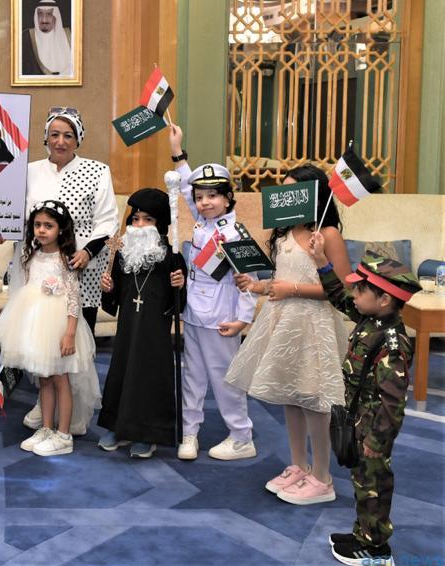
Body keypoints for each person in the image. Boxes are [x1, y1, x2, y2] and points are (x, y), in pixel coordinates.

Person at [225, 164, 350, 505]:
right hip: (283, 323)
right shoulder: (282, 234)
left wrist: (293, 288)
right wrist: (258, 285)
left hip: (312, 324)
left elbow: (340, 289)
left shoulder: (327, 234)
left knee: (314, 399)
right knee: (291, 397)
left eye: (293, 189)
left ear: (312, 195)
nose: (285, 196)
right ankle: (299, 465)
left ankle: (322, 477)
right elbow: (283, 279)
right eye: (282, 190)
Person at [306, 246, 420, 566]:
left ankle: (376, 549)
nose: (353, 295)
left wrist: (376, 440)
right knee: (362, 481)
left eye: (360, 290)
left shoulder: (391, 343)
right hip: (359, 418)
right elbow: (339, 296)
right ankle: (363, 534)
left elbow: (393, 401)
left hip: (373, 425)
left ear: (384, 299)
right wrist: (322, 263)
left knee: (374, 484)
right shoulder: (371, 318)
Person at [10, 107, 118, 435]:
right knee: (40, 340)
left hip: (80, 268)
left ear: (78, 139)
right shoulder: (29, 171)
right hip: (37, 268)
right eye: (54, 134)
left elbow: (108, 220)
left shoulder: (97, 171)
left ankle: (77, 410)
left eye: (68, 135)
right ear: (45, 137)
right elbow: (13, 215)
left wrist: (87, 252)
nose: (60, 141)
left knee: (75, 344)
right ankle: (45, 404)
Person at [168, 126, 257, 461]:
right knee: (192, 378)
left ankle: (241, 436)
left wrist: (242, 321)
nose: (204, 202)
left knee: (225, 379)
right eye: (200, 197)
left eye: (212, 196)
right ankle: (189, 433)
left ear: (228, 198)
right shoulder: (203, 222)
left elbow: (248, 281)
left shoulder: (235, 233)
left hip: (222, 318)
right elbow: (186, 189)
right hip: (193, 313)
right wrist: (178, 153)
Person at [0, 201, 99, 457]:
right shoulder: (31, 256)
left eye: (48, 226)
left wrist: (69, 333)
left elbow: (74, 298)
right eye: (37, 225)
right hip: (37, 324)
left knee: (61, 379)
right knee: (44, 379)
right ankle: (47, 428)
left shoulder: (66, 259)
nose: (41, 230)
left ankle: (64, 435)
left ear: (61, 229)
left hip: (59, 325)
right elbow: (30, 290)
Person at [97, 188, 186, 459]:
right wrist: (108, 288)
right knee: (122, 371)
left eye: (148, 220)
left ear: (160, 224)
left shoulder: (171, 257)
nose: (139, 225)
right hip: (127, 327)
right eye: (135, 219)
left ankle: (148, 433)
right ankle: (118, 427)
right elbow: (112, 299)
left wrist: (179, 285)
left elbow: (179, 304)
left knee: (149, 376)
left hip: (154, 331)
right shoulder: (122, 254)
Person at [20, 0, 72, 76]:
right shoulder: (25, 37)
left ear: (55, 16)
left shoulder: (70, 35)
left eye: (49, 14)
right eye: (40, 14)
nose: (44, 20)